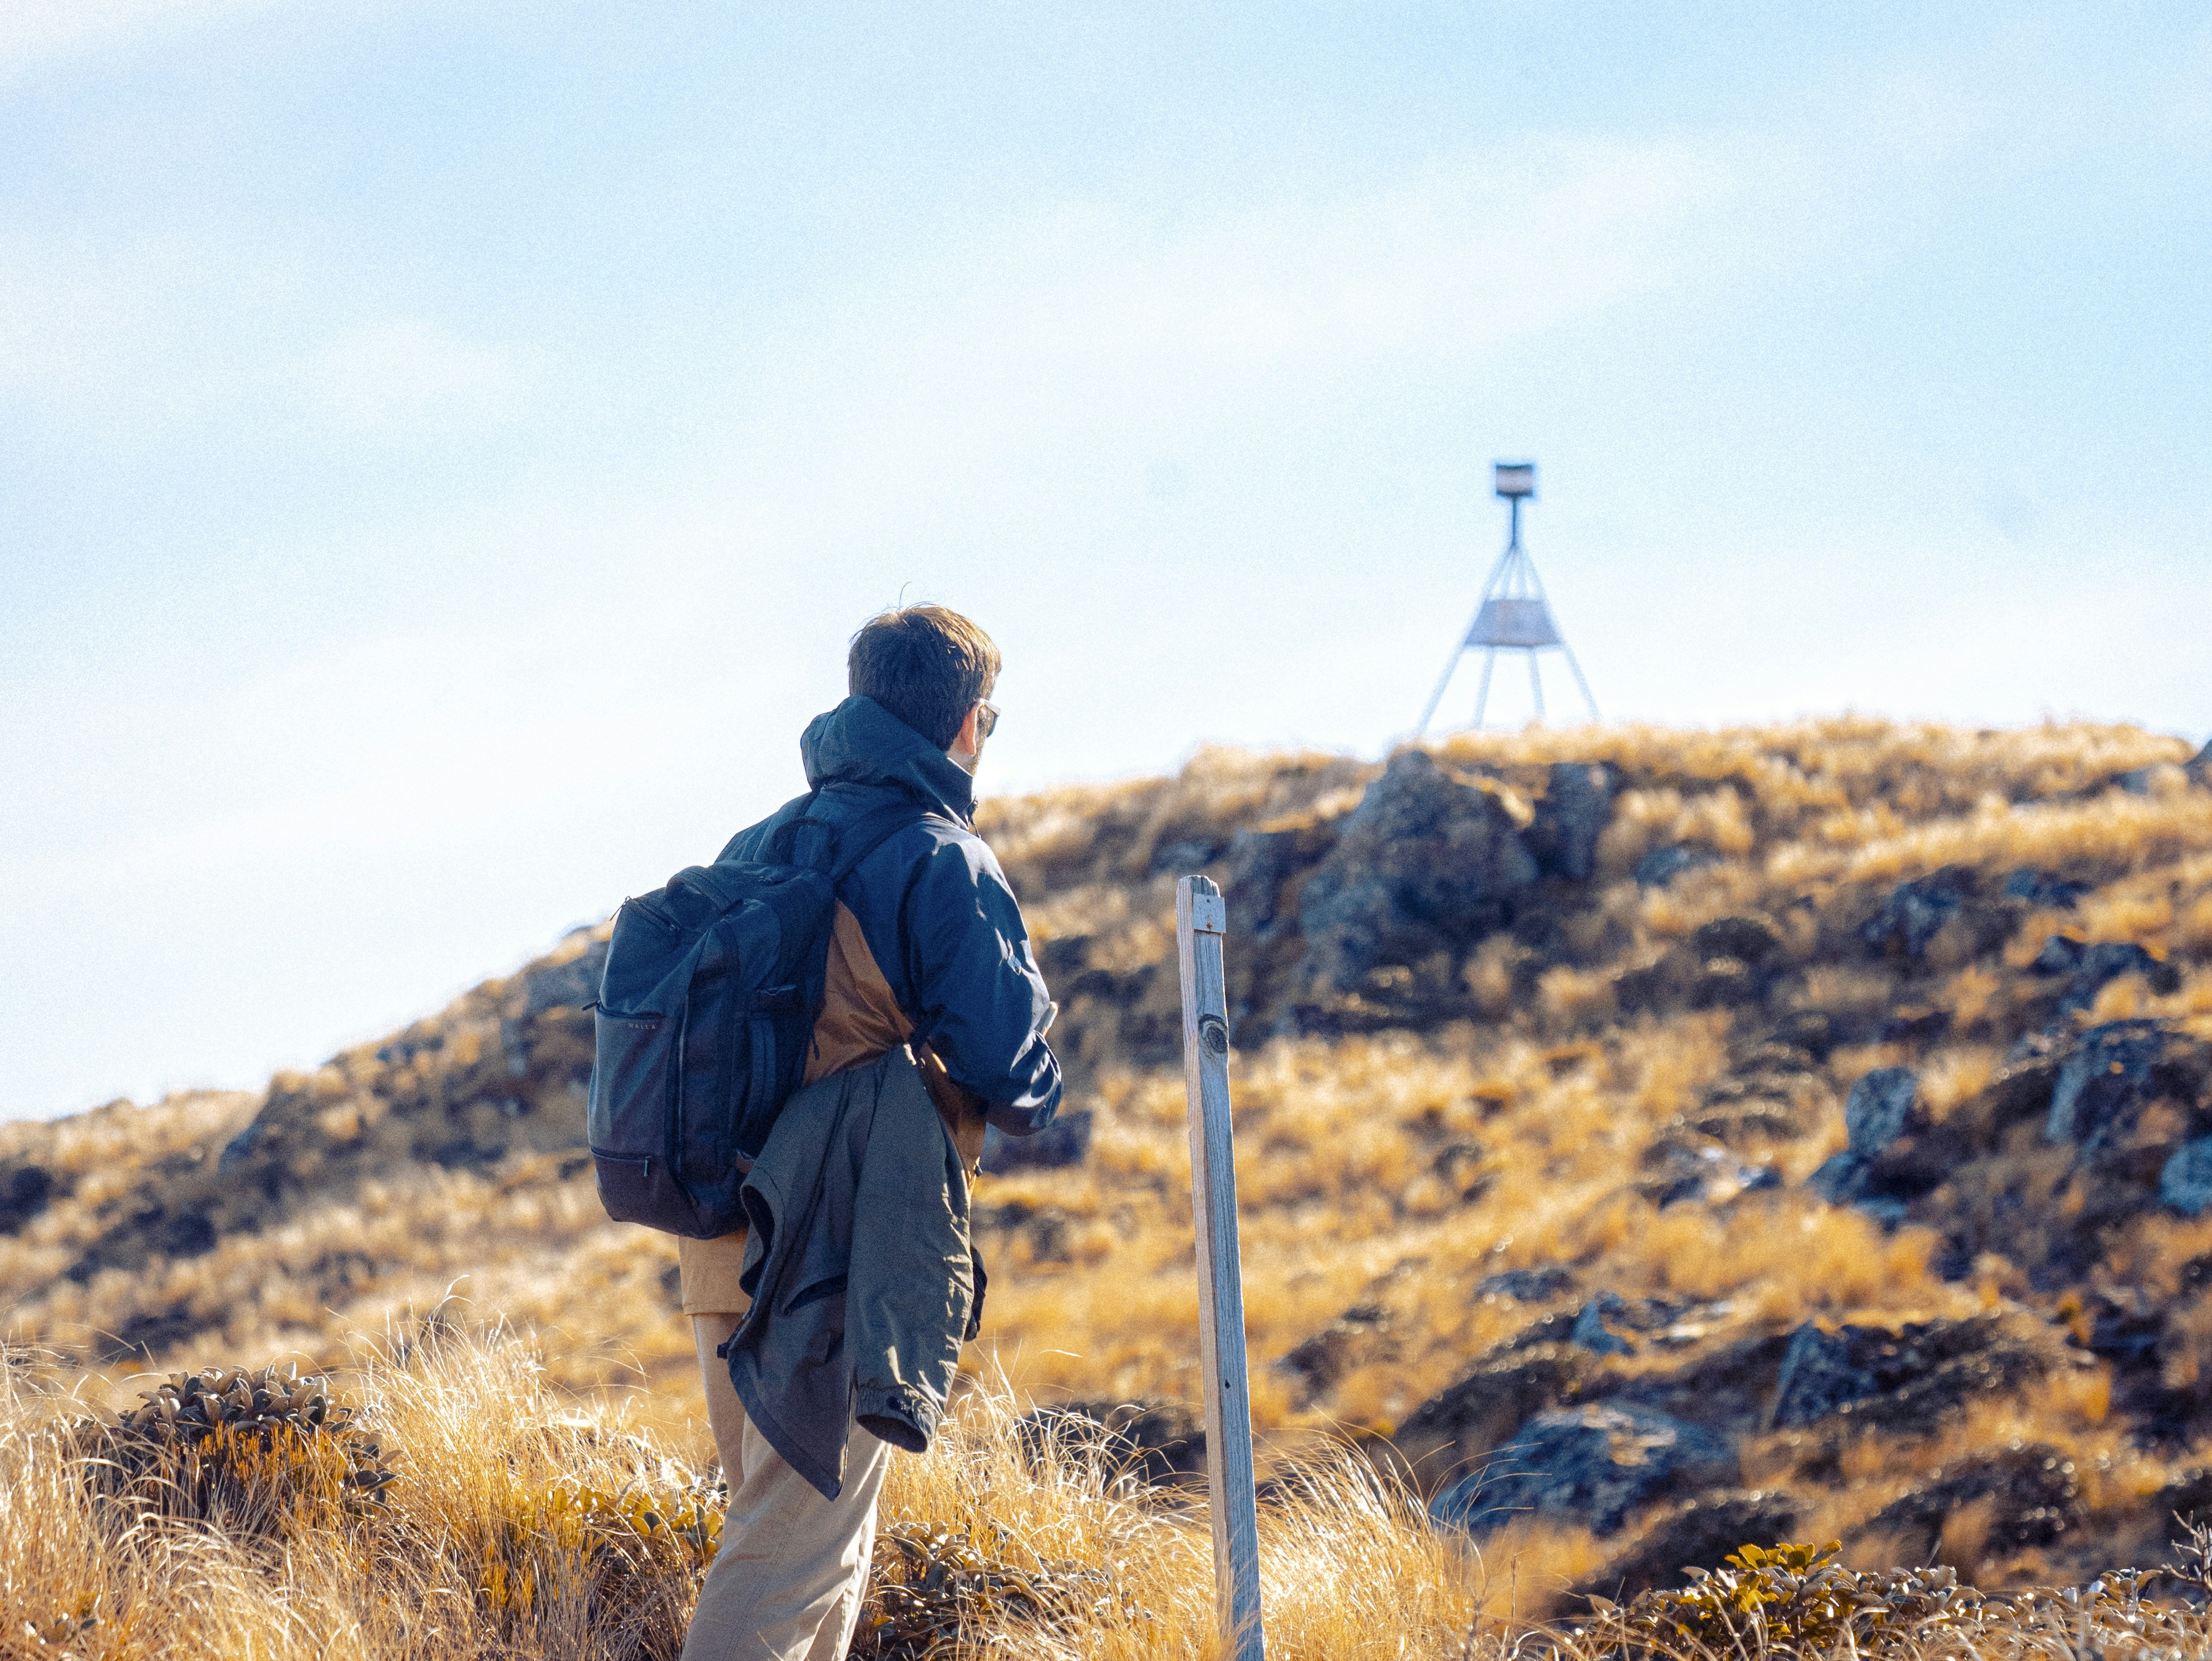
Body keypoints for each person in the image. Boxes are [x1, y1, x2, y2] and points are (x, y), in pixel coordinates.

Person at [678, 605, 1062, 1661]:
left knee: (812, 1553)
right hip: (837, 1248)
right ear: (970, 723)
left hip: (722, 1250)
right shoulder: (938, 857)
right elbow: (1015, 1073)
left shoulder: (758, 844)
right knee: (786, 1555)